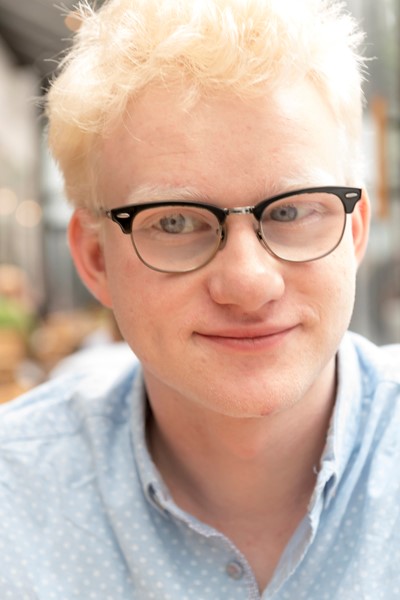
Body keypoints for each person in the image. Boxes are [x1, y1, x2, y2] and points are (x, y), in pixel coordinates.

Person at [0, 0, 399, 598]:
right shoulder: (14, 497)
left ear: (355, 232)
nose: (248, 284)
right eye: (175, 223)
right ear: (95, 259)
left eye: (292, 211)